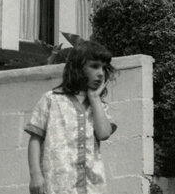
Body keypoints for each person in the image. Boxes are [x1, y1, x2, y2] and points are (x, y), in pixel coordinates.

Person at [26, 40, 116, 194]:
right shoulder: (51, 99)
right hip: (58, 186)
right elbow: (35, 139)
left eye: (104, 67)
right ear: (78, 68)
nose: (101, 73)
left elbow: (103, 134)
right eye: (94, 66)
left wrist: (94, 98)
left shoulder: (99, 106)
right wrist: (35, 175)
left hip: (92, 187)